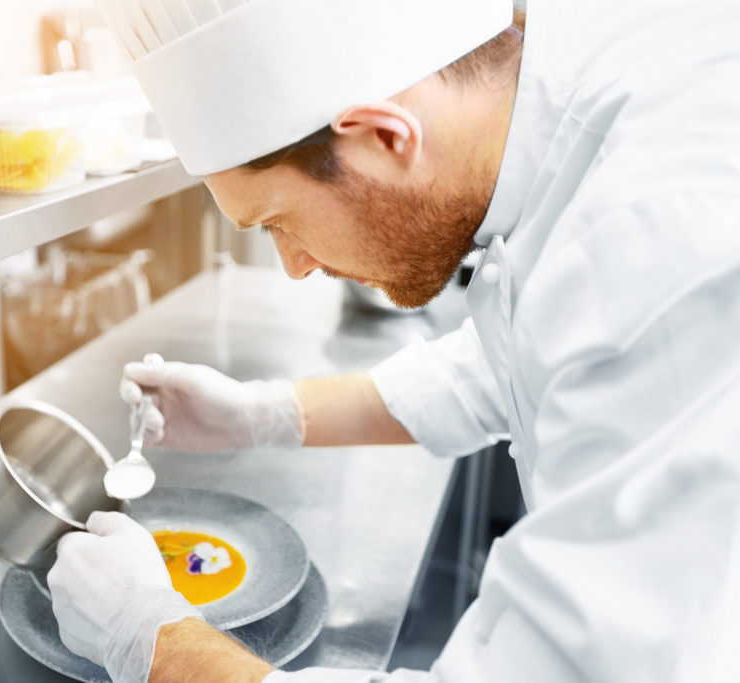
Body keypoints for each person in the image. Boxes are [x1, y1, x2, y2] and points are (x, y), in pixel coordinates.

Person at [47, 0, 740, 681]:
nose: (295, 266)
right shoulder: (581, 89)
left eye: (277, 220)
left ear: (384, 135)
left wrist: (150, 639)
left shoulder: (663, 247)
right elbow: (509, 362)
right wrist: (263, 412)